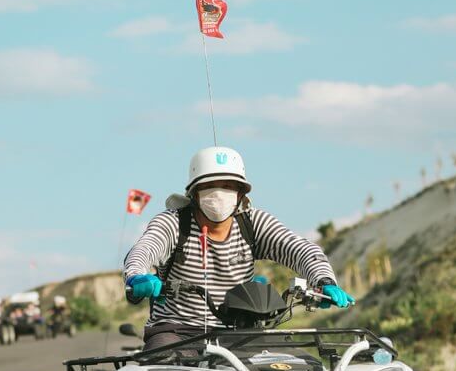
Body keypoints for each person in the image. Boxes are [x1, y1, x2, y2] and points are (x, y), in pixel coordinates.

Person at [123, 146, 353, 350]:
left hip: (239, 332)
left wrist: (324, 281)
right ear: (194, 192)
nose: (219, 194)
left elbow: (301, 250)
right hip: (176, 331)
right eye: (210, 186)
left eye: (228, 186)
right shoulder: (173, 222)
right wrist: (137, 277)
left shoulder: (252, 223)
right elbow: (144, 249)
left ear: (241, 193)